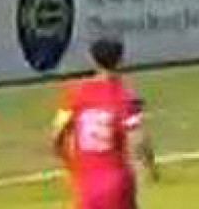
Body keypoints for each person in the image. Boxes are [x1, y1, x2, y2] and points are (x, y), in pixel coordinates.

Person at [53, 37, 158, 209]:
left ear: (93, 60)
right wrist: (151, 167)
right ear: (121, 60)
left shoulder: (75, 93)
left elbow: (57, 135)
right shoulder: (123, 97)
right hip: (117, 181)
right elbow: (138, 140)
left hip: (87, 185)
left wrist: (70, 163)